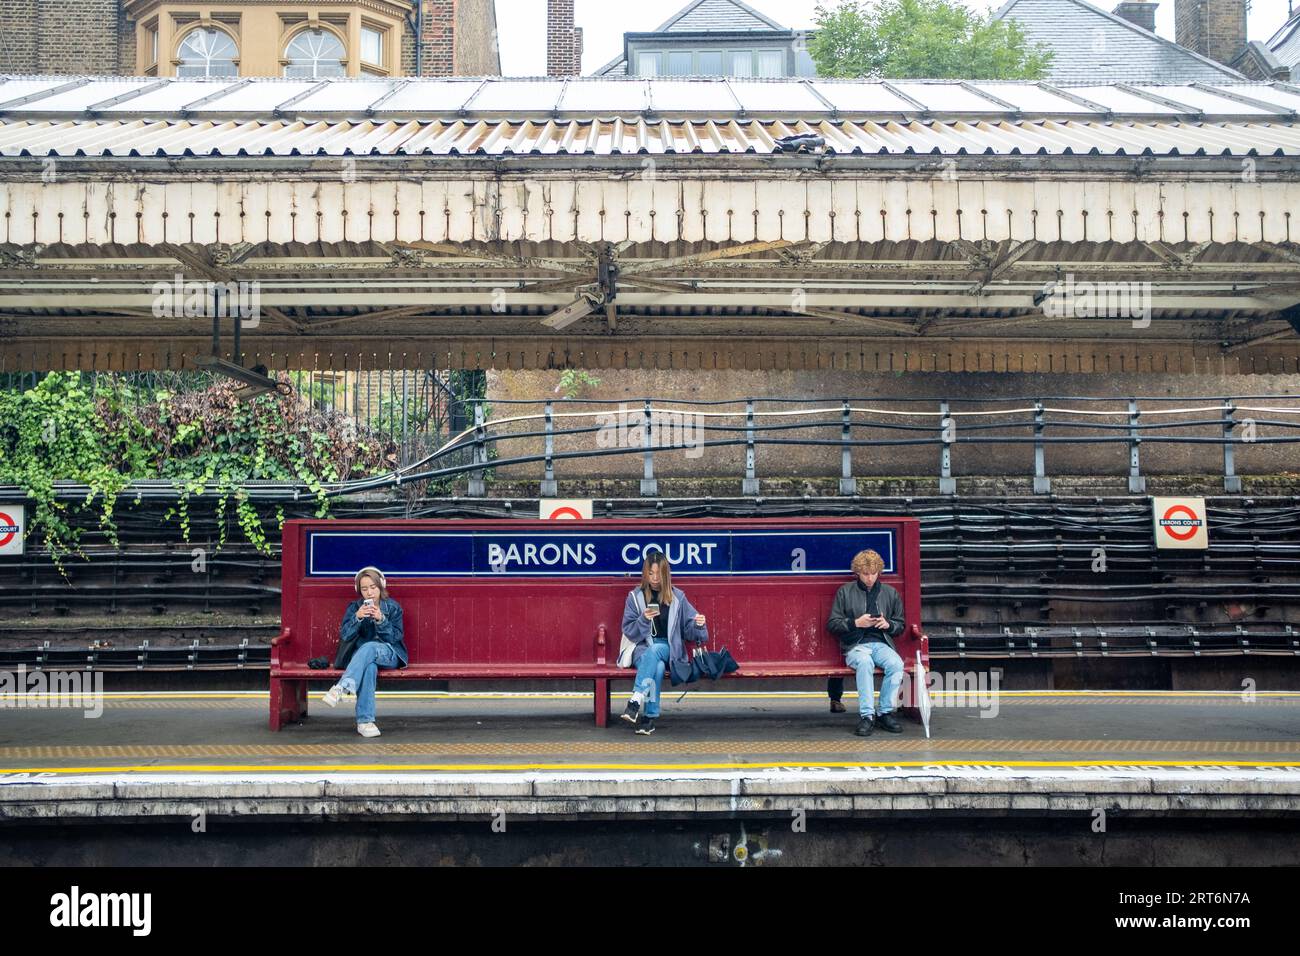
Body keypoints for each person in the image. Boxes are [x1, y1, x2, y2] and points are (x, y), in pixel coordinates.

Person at [620, 550, 708, 735]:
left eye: (658, 574)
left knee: (658, 651)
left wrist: (699, 624)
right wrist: (643, 619)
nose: (654, 578)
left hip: (669, 648)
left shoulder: (677, 598)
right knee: (657, 667)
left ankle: (636, 698)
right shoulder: (635, 597)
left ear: (665, 573)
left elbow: (691, 632)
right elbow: (629, 631)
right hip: (642, 648)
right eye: (650, 573)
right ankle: (649, 718)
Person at [826, 549, 906, 736]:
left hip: (881, 644)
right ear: (857, 573)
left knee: (896, 664)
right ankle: (867, 716)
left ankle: (885, 712)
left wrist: (888, 624)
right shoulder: (845, 591)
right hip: (855, 646)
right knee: (864, 663)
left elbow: (900, 625)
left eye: (873, 573)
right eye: (865, 574)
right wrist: (855, 623)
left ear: (879, 572)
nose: (870, 578)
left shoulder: (890, 593)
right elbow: (832, 624)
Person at [321, 566, 407, 737]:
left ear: (381, 586)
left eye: (373, 587)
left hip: (389, 654)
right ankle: (365, 722)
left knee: (369, 647)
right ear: (359, 590)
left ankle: (342, 686)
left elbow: (395, 637)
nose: (369, 593)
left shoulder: (393, 607)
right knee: (369, 668)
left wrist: (381, 620)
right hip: (363, 660)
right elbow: (345, 635)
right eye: (364, 589)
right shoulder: (355, 608)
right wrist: (357, 618)